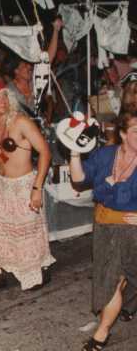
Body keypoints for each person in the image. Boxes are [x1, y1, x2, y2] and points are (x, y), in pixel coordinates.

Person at [0, 79, 55, 291]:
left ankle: (35, 273)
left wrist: (36, 188)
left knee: (26, 235)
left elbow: (45, 152)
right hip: (2, 185)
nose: (2, 101)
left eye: (5, 95)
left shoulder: (21, 122)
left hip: (24, 186)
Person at [69, 110, 137, 351]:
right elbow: (79, 179)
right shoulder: (106, 155)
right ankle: (125, 308)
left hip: (132, 230)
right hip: (103, 226)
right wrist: (74, 151)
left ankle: (102, 332)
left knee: (114, 280)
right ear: (122, 134)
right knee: (114, 277)